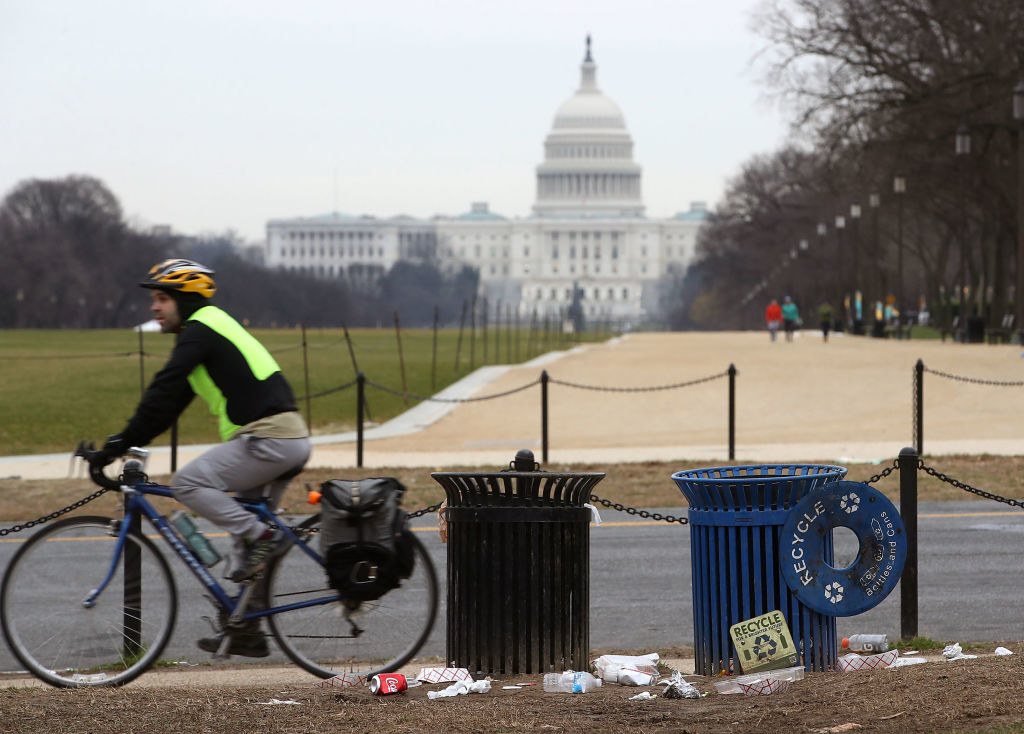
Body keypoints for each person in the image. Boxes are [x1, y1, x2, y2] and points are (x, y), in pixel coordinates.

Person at [91, 259, 311, 657]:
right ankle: (247, 629)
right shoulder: (208, 329)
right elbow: (167, 406)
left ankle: (268, 538)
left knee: (190, 484)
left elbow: (162, 389)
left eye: (161, 298)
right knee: (247, 546)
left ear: (184, 299)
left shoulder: (201, 329)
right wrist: (126, 441)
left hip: (269, 439)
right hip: (281, 438)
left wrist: (118, 443)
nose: (154, 308)